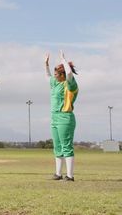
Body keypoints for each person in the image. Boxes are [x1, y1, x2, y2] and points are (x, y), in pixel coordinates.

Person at [45, 51, 78, 181]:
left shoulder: (70, 84)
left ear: (62, 74)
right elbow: (47, 77)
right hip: (54, 117)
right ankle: (58, 174)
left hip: (65, 117)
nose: (55, 76)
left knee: (66, 146)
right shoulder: (55, 83)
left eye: (57, 74)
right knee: (57, 146)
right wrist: (46, 65)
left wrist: (63, 60)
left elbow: (69, 73)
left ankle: (70, 176)